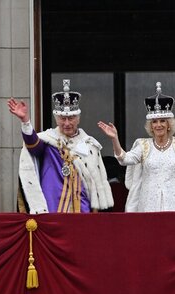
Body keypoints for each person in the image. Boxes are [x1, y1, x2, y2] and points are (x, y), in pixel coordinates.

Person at [8, 79, 114, 214]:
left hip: (83, 209)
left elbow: (96, 184)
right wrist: (25, 122)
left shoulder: (90, 145)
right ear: (56, 119)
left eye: (71, 118)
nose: (67, 123)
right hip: (53, 208)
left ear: (78, 118)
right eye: (62, 118)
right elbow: (33, 144)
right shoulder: (49, 141)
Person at [98, 82, 175, 212]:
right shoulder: (143, 145)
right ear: (151, 126)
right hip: (149, 205)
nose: (158, 125)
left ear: (169, 124)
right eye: (154, 122)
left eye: (162, 121)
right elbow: (124, 159)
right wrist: (115, 138)